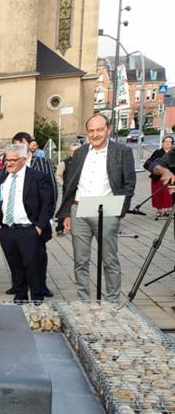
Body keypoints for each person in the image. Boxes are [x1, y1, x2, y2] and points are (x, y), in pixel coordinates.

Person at [56, 114, 136, 302]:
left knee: (109, 259)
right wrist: (67, 213)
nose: (95, 134)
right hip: (79, 209)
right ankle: (83, 301)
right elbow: (71, 184)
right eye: (91, 130)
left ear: (109, 129)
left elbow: (129, 184)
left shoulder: (122, 151)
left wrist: (118, 212)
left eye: (100, 129)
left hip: (107, 210)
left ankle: (112, 301)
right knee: (80, 260)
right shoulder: (80, 152)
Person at [0, 144, 54, 303]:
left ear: (23, 159)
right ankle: (20, 297)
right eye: (7, 160)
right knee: (15, 266)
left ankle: (36, 299)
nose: (9, 163)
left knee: (33, 266)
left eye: (13, 160)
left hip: (29, 230)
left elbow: (47, 204)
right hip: (7, 230)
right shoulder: (4, 177)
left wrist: (39, 227)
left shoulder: (38, 177)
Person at [10, 132, 57, 297]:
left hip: (37, 221)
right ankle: (19, 285)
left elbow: (52, 189)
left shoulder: (41, 162)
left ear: (27, 143)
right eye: (14, 144)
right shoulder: (10, 165)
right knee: (18, 256)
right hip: (17, 221)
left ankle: (41, 286)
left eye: (19, 144)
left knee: (39, 256)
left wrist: (45, 220)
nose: (17, 147)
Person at [54, 142, 82, 235]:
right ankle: (60, 228)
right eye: (72, 151)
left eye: (76, 151)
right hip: (68, 191)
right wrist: (63, 184)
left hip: (81, 191)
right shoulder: (64, 163)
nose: (73, 153)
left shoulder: (84, 162)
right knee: (65, 208)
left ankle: (76, 227)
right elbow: (58, 175)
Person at [144, 135, 174, 219]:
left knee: (169, 195)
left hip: (170, 178)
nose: (168, 143)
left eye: (170, 142)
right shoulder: (157, 152)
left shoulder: (173, 153)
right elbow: (148, 163)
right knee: (158, 194)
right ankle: (159, 210)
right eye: (166, 141)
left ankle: (168, 210)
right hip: (157, 178)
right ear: (162, 143)